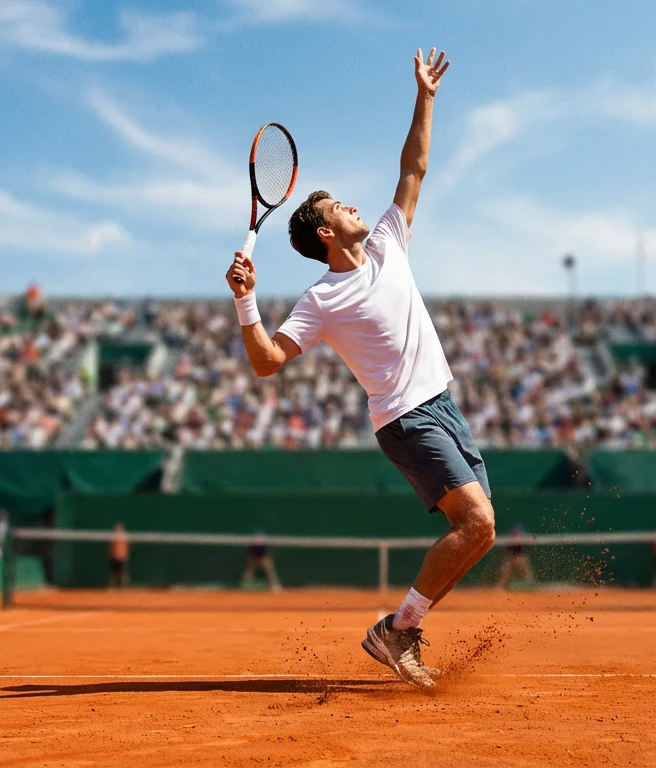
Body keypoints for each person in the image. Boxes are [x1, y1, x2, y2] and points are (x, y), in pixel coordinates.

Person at [225, 48, 475, 689]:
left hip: (443, 402)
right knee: (477, 522)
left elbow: (414, 168)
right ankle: (398, 632)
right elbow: (267, 363)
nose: (354, 208)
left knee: (478, 534)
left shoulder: (389, 241)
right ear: (327, 234)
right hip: (406, 417)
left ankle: (400, 630)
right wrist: (246, 300)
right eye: (340, 208)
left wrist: (425, 97)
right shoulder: (320, 300)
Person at [108, 522, 129, 589]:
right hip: (114, 557)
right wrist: (111, 555)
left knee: (123, 573)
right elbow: (111, 547)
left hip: (122, 558)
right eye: (117, 529)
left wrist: (125, 555)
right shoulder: (113, 537)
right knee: (113, 573)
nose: (118, 530)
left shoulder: (124, 537)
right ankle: (112, 587)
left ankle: (124, 587)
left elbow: (126, 547)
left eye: (119, 529)